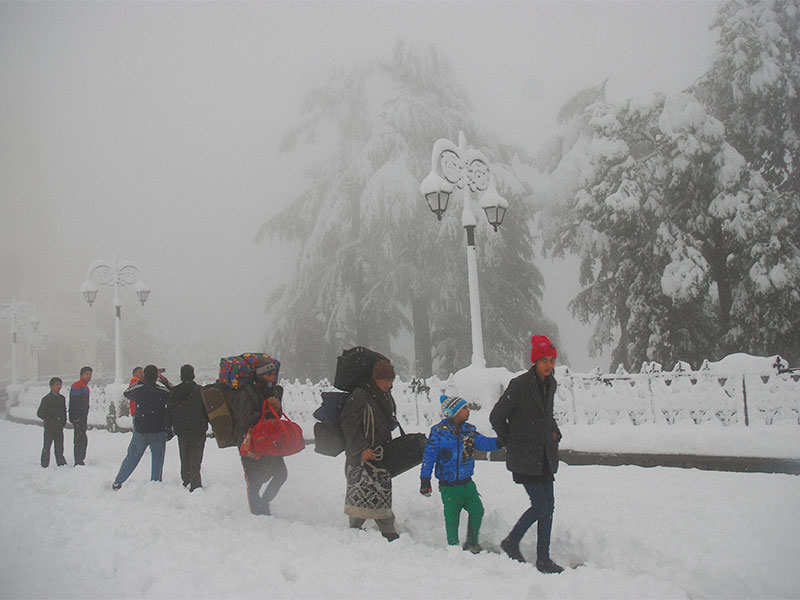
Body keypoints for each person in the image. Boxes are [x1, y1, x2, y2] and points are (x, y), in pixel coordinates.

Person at [490, 334, 564, 573]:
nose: (548, 365)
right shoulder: (520, 385)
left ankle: (543, 558)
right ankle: (511, 542)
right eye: (543, 360)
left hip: (543, 455)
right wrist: (510, 440)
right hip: (525, 457)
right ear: (535, 362)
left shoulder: (550, 384)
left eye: (551, 360)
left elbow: (545, 415)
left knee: (548, 506)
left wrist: (554, 432)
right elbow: (497, 416)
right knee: (541, 505)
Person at [420, 395, 500, 552]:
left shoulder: (469, 431)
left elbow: (484, 443)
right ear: (453, 412)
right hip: (448, 486)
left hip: (467, 483)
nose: (467, 410)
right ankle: (453, 547)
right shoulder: (438, 432)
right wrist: (425, 479)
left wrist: (501, 441)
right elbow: (429, 457)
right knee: (452, 518)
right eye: (464, 408)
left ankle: (471, 542)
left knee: (477, 510)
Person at [340, 358, 400, 541]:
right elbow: (348, 424)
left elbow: (388, 421)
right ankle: (381, 533)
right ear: (376, 379)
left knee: (378, 492)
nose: (389, 384)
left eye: (392, 380)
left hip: (379, 454)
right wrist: (361, 449)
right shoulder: (360, 395)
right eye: (386, 380)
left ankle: (361, 532)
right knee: (363, 493)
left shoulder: (384, 395)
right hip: (361, 456)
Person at [232, 356, 286, 515]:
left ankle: (264, 502)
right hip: (249, 442)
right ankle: (257, 513)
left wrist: (276, 407)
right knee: (254, 479)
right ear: (259, 375)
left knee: (281, 474)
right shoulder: (246, 392)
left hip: (270, 440)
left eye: (273, 375)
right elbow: (244, 419)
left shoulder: (274, 391)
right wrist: (267, 408)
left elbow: (277, 417)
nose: (272, 378)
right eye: (268, 374)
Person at [112, 365, 171, 489]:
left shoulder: (139, 390)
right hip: (158, 429)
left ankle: (119, 481)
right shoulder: (162, 391)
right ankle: (155, 484)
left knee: (132, 457)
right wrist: (162, 380)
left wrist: (142, 380)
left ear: (144, 376)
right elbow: (172, 393)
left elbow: (127, 392)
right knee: (157, 460)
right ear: (156, 377)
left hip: (141, 430)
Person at [167, 364, 208, 491]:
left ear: (181, 376)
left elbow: (170, 410)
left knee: (184, 455)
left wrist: (169, 426)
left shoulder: (174, 392)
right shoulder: (201, 391)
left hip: (182, 429)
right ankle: (195, 482)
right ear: (193, 375)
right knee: (196, 456)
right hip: (198, 428)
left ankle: (186, 479)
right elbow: (207, 410)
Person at [37, 377, 67, 467]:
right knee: (47, 446)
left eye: (60, 384)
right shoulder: (46, 399)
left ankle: (61, 463)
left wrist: (63, 421)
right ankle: (44, 464)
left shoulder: (62, 398)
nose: (59, 387)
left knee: (59, 447)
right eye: (56, 384)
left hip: (59, 427)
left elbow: (64, 411)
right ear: (51, 386)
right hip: (49, 427)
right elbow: (40, 413)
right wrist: (50, 418)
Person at [69, 366, 92, 466]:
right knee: (79, 439)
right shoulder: (77, 386)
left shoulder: (85, 387)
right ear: (81, 375)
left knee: (83, 439)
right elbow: (74, 403)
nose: (89, 376)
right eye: (86, 374)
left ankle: (80, 459)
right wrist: (75, 417)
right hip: (78, 417)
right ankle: (78, 461)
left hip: (83, 417)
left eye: (90, 374)